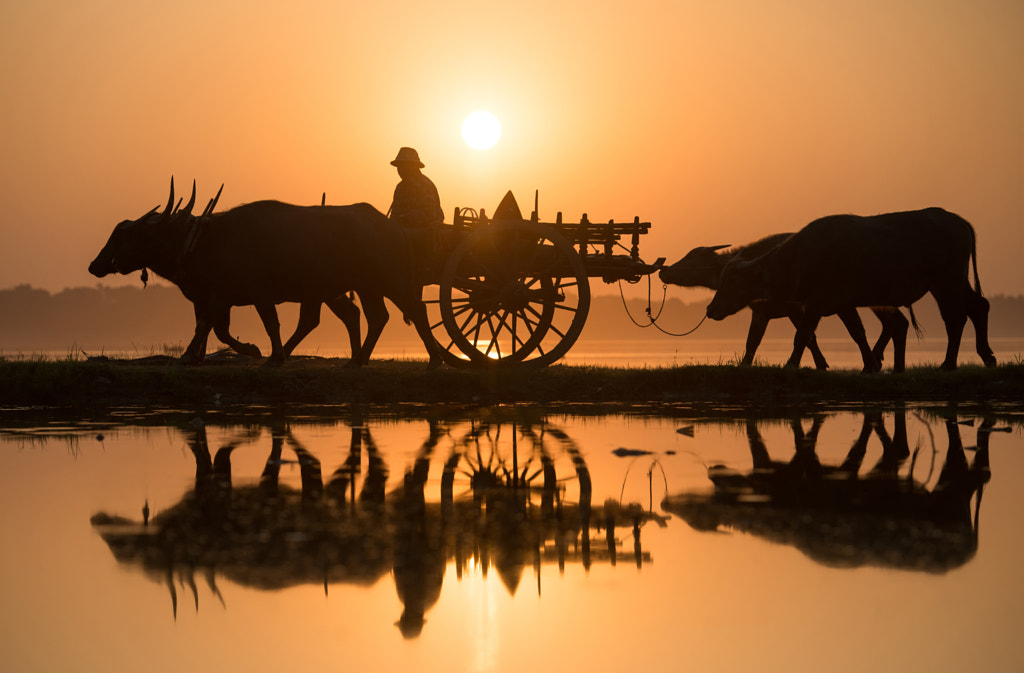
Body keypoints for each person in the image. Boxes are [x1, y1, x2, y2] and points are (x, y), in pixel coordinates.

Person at [388, 147, 444, 228]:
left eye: (404, 165)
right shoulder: (400, 187)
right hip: (403, 231)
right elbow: (394, 213)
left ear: (413, 166)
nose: (400, 169)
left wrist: (402, 219)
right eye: (399, 166)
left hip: (426, 232)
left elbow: (428, 215)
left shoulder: (424, 185)